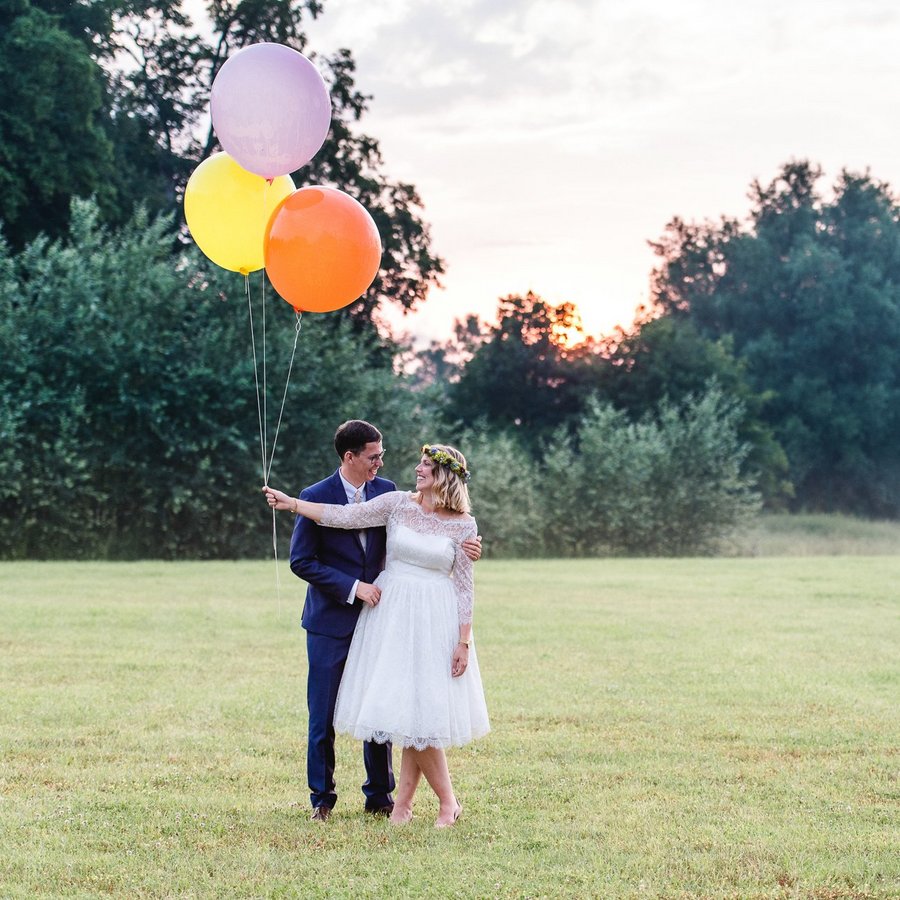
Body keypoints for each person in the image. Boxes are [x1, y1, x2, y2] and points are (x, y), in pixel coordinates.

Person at [265, 440, 489, 828]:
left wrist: (463, 641)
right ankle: (404, 805)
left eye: (425, 466)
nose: (416, 469)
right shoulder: (397, 503)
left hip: (435, 619)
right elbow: (343, 516)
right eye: (418, 464)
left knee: (422, 713)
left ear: (444, 476)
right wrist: (294, 504)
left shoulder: (464, 526)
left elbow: (465, 587)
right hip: (392, 616)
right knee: (402, 709)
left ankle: (435, 803)